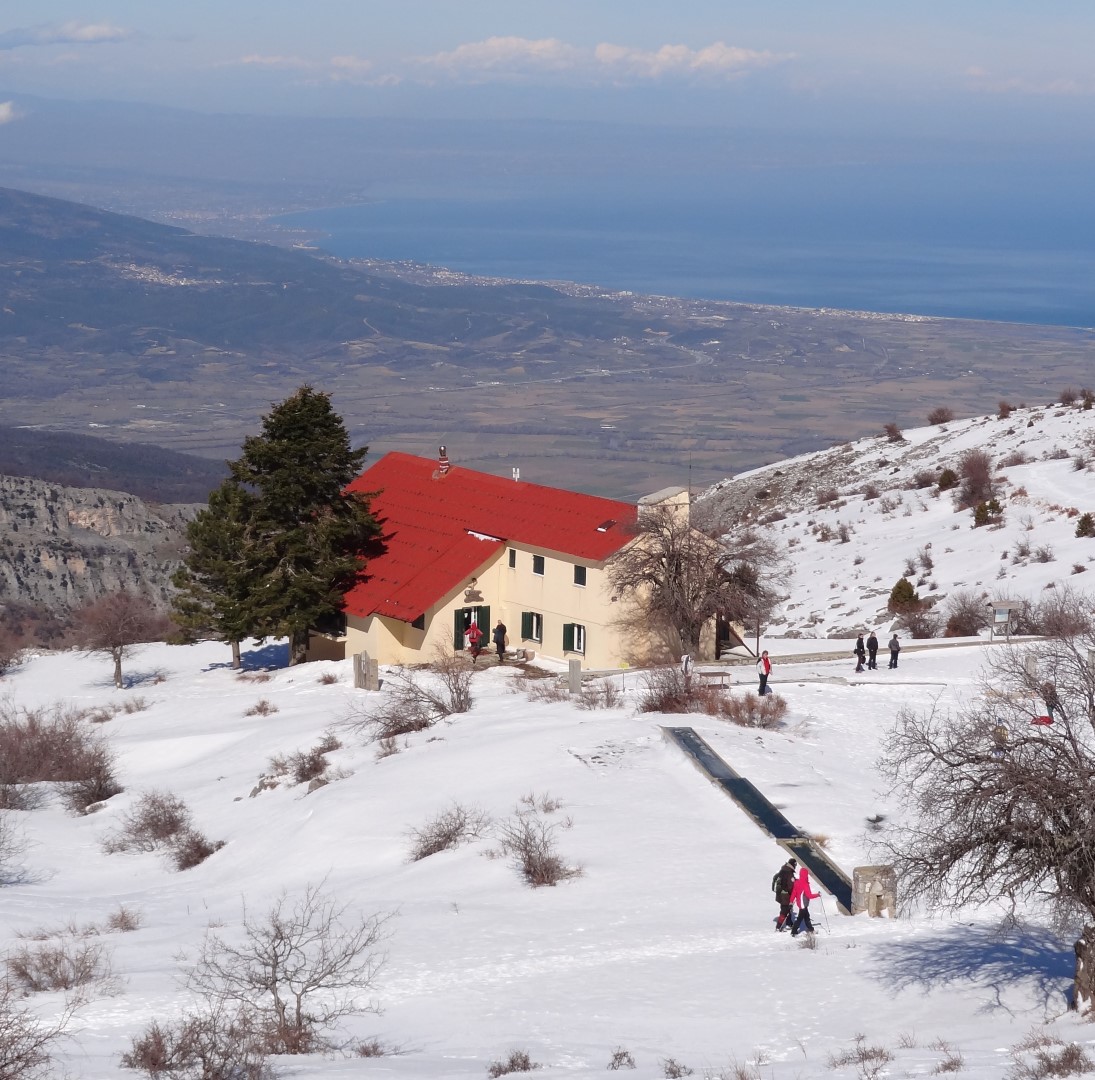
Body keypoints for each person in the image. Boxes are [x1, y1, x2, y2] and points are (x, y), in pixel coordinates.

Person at [789, 865, 821, 936]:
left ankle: (811, 929)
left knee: (806, 917)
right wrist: (817, 895)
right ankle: (794, 932)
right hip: (803, 904)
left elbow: (794, 893)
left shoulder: (797, 882)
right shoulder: (805, 884)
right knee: (800, 918)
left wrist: (791, 901)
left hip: (800, 903)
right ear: (806, 875)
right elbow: (809, 895)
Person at [772, 856, 797, 932]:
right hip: (786, 896)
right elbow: (790, 886)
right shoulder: (789, 873)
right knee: (784, 910)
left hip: (780, 895)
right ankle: (778, 927)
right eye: (795, 865)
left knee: (788, 909)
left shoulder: (783, 869)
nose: (795, 867)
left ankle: (789, 923)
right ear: (793, 864)